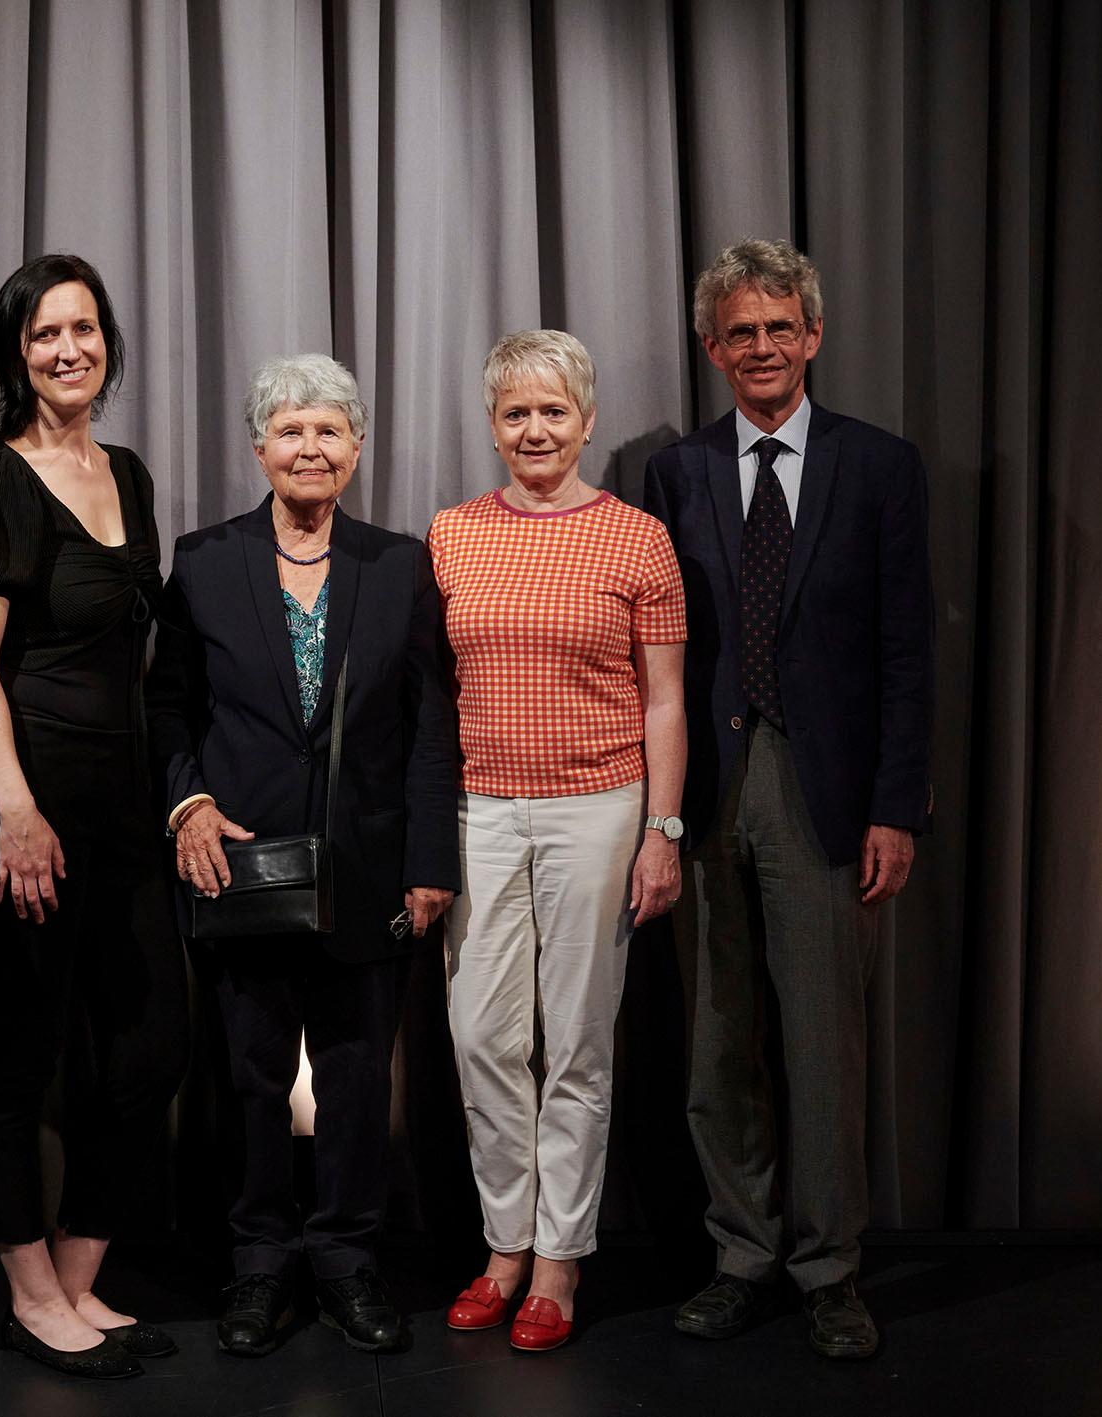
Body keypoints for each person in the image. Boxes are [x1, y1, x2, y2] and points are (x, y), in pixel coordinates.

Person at [635, 238, 934, 1361]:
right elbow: (653, 654)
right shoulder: (676, 474)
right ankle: (739, 1254)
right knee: (718, 1044)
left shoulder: (878, 465)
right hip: (705, 789)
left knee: (821, 1043)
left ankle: (828, 1267)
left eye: (778, 328)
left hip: (827, 791)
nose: (759, 348)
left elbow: (906, 650)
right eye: (737, 332)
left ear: (810, 338)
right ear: (711, 348)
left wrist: (894, 806)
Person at [146, 354, 459, 1358]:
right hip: (238, 864)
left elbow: (426, 725)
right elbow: (166, 707)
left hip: (370, 866)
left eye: (329, 431)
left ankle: (345, 1257)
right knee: (246, 1070)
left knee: (360, 1072)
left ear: (356, 449)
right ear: (258, 448)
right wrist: (186, 799)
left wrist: (427, 856)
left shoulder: (400, 563)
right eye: (290, 430)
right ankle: (256, 1261)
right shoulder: (200, 559)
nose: (310, 448)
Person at [0, 253, 189, 1381]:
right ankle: (30, 1288)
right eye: (43, 335)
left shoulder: (127, 472)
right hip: (22, 801)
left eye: (83, 330)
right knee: (17, 1049)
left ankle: (80, 1268)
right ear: (14, 354)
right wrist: (13, 810)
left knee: (148, 1042)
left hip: (124, 805)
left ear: (108, 341)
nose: (67, 351)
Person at [428, 329, 688, 1353]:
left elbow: (665, 701)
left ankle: (555, 1264)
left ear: (585, 420)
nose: (533, 429)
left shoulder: (635, 538)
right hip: (478, 811)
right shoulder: (450, 534)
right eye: (513, 413)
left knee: (576, 1044)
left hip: (598, 807)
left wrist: (661, 830)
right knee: (484, 1037)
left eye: (551, 411)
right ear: (492, 426)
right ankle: (501, 1244)